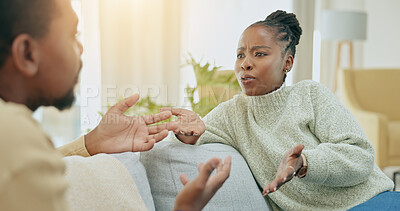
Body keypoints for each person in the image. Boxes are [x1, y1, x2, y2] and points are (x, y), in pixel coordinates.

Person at [0, 0, 230, 210]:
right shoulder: (14, 134)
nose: (80, 49)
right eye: (73, 35)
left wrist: (93, 142)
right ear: (27, 53)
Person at [165, 10, 398, 210]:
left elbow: (360, 156)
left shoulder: (310, 95)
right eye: (240, 55)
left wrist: (305, 163)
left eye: (260, 54)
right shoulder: (233, 113)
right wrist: (186, 133)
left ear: (287, 63)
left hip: (372, 200)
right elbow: (200, 134)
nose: (245, 63)